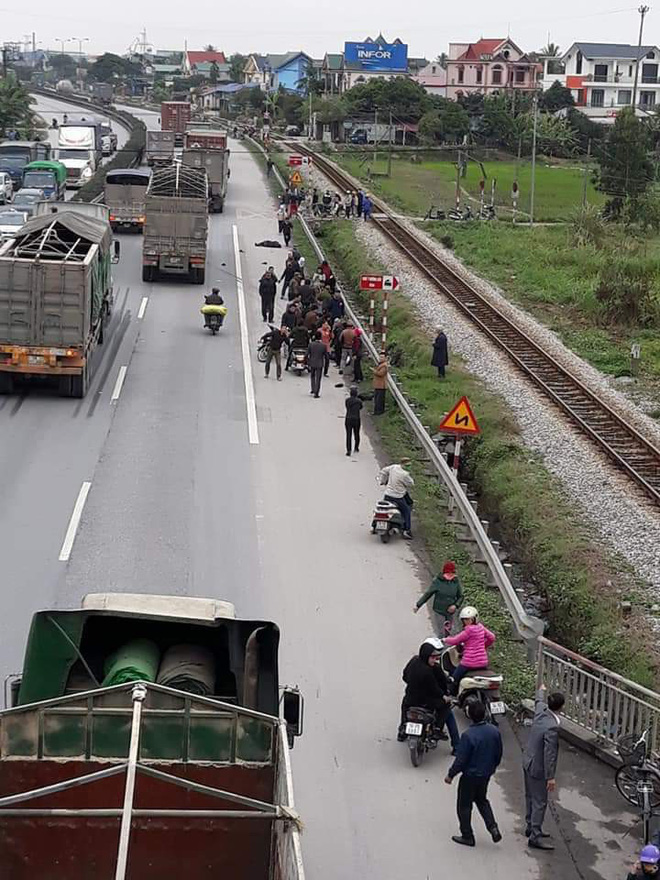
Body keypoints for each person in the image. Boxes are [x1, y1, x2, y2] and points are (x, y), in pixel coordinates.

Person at [444, 700, 503, 847]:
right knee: (482, 800)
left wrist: (451, 774)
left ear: (470, 715)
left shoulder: (468, 736)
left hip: (470, 776)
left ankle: (467, 835)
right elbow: (498, 753)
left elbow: (461, 760)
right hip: (485, 774)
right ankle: (493, 827)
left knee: (464, 805)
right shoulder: (494, 731)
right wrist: (492, 767)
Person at [523, 684, 565, 851]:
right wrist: (551, 777)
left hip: (527, 761)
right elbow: (549, 754)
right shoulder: (552, 727)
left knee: (529, 796)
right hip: (538, 768)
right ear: (561, 708)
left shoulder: (541, 712)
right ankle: (535, 835)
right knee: (540, 801)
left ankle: (530, 825)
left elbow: (539, 699)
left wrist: (541, 689)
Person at [398, 642, 460, 751]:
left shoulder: (414, 661)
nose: (434, 660)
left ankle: (402, 729)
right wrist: (444, 697)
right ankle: (437, 730)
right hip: (426, 702)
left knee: (404, 705)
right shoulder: (427, 671)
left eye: (435, 657)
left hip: (411, 698)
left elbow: (405, 676)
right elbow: (434, 688)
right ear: (426, 656)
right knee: (446, 707)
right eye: (432, 657)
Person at [444, 606, 495, 688]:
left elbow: (455, 640)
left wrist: (444, 640)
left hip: (468, 663)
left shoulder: (468, 631)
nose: (466, 621)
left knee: (453, 679)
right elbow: (492, 637)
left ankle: (452, 695)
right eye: (465, 619)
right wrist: (484, 646)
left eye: (468, 619)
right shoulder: (481, 627)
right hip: (483, 662)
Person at [414, 561, 464, 636]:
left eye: (452, 574)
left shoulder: (455, 582)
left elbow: (461, 596)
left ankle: (446, 645)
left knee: (448, 632)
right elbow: (428, 594)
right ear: (444, 573)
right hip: (439, 611)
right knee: (441, 632)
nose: (450, 576)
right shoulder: (437, 582)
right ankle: (441, 646)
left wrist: (455, 605)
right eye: (448, 574)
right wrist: (418, 605)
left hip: (450, 613)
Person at [379, 458, 414, 539]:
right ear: (403, 464)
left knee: (383, 508)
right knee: (406, 511)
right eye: (408, 465)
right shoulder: (405, 474)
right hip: (398, 497)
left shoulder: (393, 467)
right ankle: (406, 530)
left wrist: (383, 481)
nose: (409, 467)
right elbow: (411, 483)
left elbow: (384, 471)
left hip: (387, 495)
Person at [307, 331, 326, 398]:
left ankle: (313, 389)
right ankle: (316, 393)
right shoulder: (323, 346)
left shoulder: (311, 344)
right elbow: (326, 356)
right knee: (318, 378)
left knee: (312, 376)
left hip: (312, 363)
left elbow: (307, 354)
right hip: (319, 364)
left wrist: (307, 362)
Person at [344, 386, 362, 455]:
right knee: (356, 433)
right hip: (356, 418)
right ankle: (356, 447)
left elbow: (347, 406)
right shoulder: (359, 401)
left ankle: (349, 450)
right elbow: (361, 407)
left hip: (348, 418)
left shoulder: (347, 400)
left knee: (348, 434)